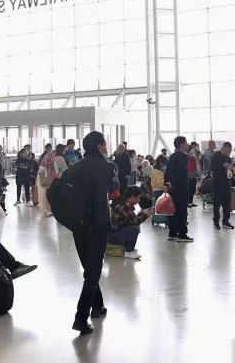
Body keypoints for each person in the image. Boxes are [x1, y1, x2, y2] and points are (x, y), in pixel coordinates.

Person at [69, 131, 118, 334]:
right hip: (98, 224)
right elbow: (115, 190)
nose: (106, 147)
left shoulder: (75, 167)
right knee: (93, 271)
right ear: (99, 146)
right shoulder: (108, 167)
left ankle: (97, 305)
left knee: (90, 268)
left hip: (78, 224)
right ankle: (81, 317)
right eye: (104, 144)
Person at [108, 186, 153, 260]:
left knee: (133, 226)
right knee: (134, 229)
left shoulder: (123, 202)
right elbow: (136, 222)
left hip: (111, 233)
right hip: (111, 236)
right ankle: (129, 251)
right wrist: (146, 215)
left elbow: (130, 220)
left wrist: (142, 213)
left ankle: (128, 248)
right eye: (138, 198)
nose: (139, 200)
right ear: (132, 196)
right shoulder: (125, 205)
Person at [165, 137, 193, 242]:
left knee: (173, 210)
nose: (187, 144)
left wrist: (169, 184)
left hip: (172, 188)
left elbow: (167, 172)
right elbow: (181, 173)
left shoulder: (172, 156)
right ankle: (182, 234)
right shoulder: (183, 156)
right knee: (182, 211)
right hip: (181, 188)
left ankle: (172, 233)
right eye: (186, 142)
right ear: (181, 144)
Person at [210, 142, 235, 230]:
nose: (228, 153)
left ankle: (226, 221)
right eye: (227, 151)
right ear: (223, 148)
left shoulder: (228, 158)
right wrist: (222, 165)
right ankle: (216, 221)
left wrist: (231, 169)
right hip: (217, 183)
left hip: (227, 183)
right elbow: (212, 168)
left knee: (227, 203)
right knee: (217, 203)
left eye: (230, 151)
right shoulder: (216, 156)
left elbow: (231, 172)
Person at [187, 142, 200, 207]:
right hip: (188, 174)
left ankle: (191, 202)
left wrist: (197, 175)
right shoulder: (186, 157)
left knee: (192, 189)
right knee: (189, 188)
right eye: (192, 149)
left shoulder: (193, 157)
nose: (193, 150)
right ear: (189, 150)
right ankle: (188, 202)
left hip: (194, 174)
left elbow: (195, 166)